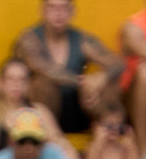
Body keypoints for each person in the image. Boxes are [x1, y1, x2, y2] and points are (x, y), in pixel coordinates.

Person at [12, 0, 123, 138]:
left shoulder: (81, 40)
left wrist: (102, 78)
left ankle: (110, 138)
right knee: (44, 84)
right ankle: (42, 142)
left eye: (64, 8)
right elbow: (46, 69)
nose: (58, 13)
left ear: (72, 11)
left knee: (109, 82)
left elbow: (117, 63)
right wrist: (84, 83)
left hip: (78, 111)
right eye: (53, 7)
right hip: (39, 114)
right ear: (43, 10)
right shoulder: (29, 40)